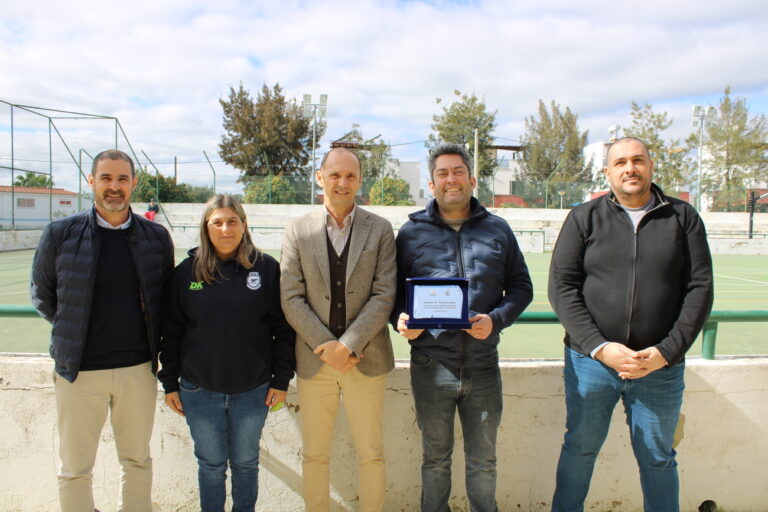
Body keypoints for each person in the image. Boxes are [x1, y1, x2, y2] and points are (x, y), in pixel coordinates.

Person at [548, 137, 714, 512]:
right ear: (607, 172)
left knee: (658, 457)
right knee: (580, 449)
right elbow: (562, 287)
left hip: (658, 366)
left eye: (637, 160)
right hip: (591, 363)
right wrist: (600, 347)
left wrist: (666, 352)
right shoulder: (583, 217)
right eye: (620, 162)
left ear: (651, 166)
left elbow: (700, 289)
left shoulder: (683, 217)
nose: (630, 168)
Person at [30, 148, 174, 512]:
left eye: (122, 179)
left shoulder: (156, 237)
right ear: (92, 181)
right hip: (79, 372)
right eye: (106, 178)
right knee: (75, 468)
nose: (114, 186)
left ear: (133, 184)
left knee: (137, 460)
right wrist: (74, 329)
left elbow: (166, 300)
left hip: (138, 371)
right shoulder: (59, 234)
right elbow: (43, 295)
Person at [394, 143, 533, 512]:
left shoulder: (498, 229)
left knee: (483, 462)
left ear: (472, 180)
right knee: (435, 460)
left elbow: (522, 287)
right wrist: (401, 320)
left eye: (458, 172)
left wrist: (495, 320)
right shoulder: (410, 233)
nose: (451, 179)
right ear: (431, 184)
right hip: (430, 366)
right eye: (443, 173)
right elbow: (393, 294)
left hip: (483, 365)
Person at [159, 194, 295, 512]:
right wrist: (170, 384)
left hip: (253, 390)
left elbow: (284, 329)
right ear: (206, 227)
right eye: (217, 222)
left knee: (246, 463)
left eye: (232, 221)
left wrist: (281, 380)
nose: (225, 229)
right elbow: (172, 331)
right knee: (211, 465)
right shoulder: (186, 273)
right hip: (199, 390)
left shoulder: (266, 268)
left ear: (244, 225)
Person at [280, 147, 396, 512]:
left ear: (360, 180)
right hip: (315, 361)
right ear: (320, 178)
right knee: (314, 454)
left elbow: (384, 294)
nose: (342, 183)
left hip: (366, 358)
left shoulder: (380, 229)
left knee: (371, 454)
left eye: (350, 176)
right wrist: (326, 346)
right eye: (334, 175)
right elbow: (290, 296)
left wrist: (348, 346)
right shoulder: (297, 229)